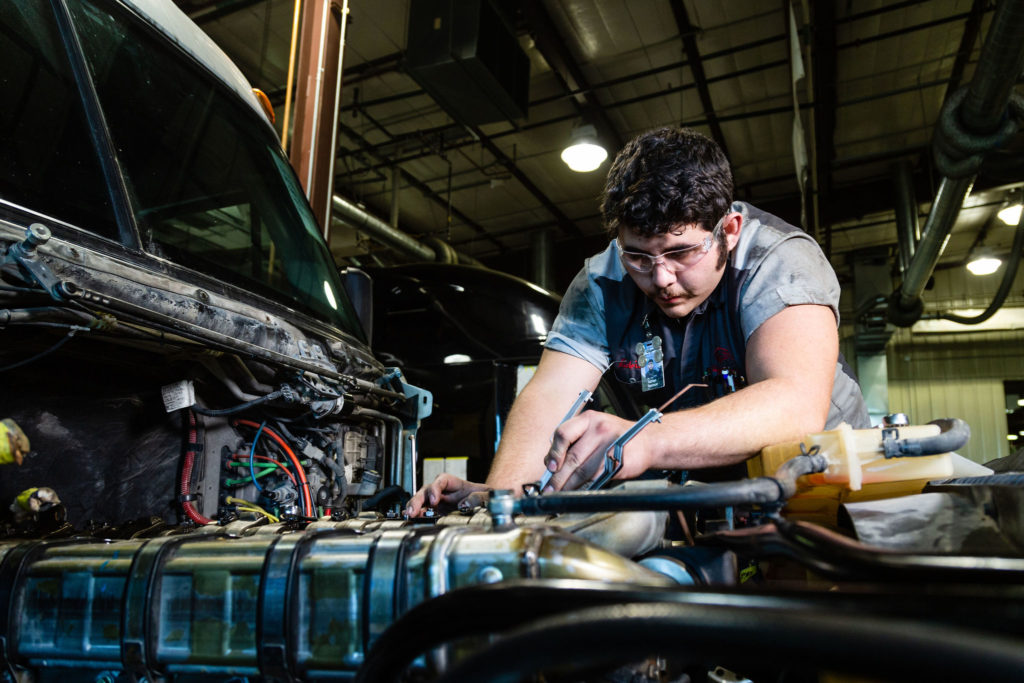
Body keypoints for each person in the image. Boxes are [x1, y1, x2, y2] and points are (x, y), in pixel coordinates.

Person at [405, 127, 869, 516]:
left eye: (681, 252)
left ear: (727, 231)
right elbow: (551, 395)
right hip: (707, 497)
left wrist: (644, 440)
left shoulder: (780, 259)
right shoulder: (602, 280)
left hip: (826, 491)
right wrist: (503, 502)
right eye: (639, 257)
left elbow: (794, 403)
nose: (661, 278)